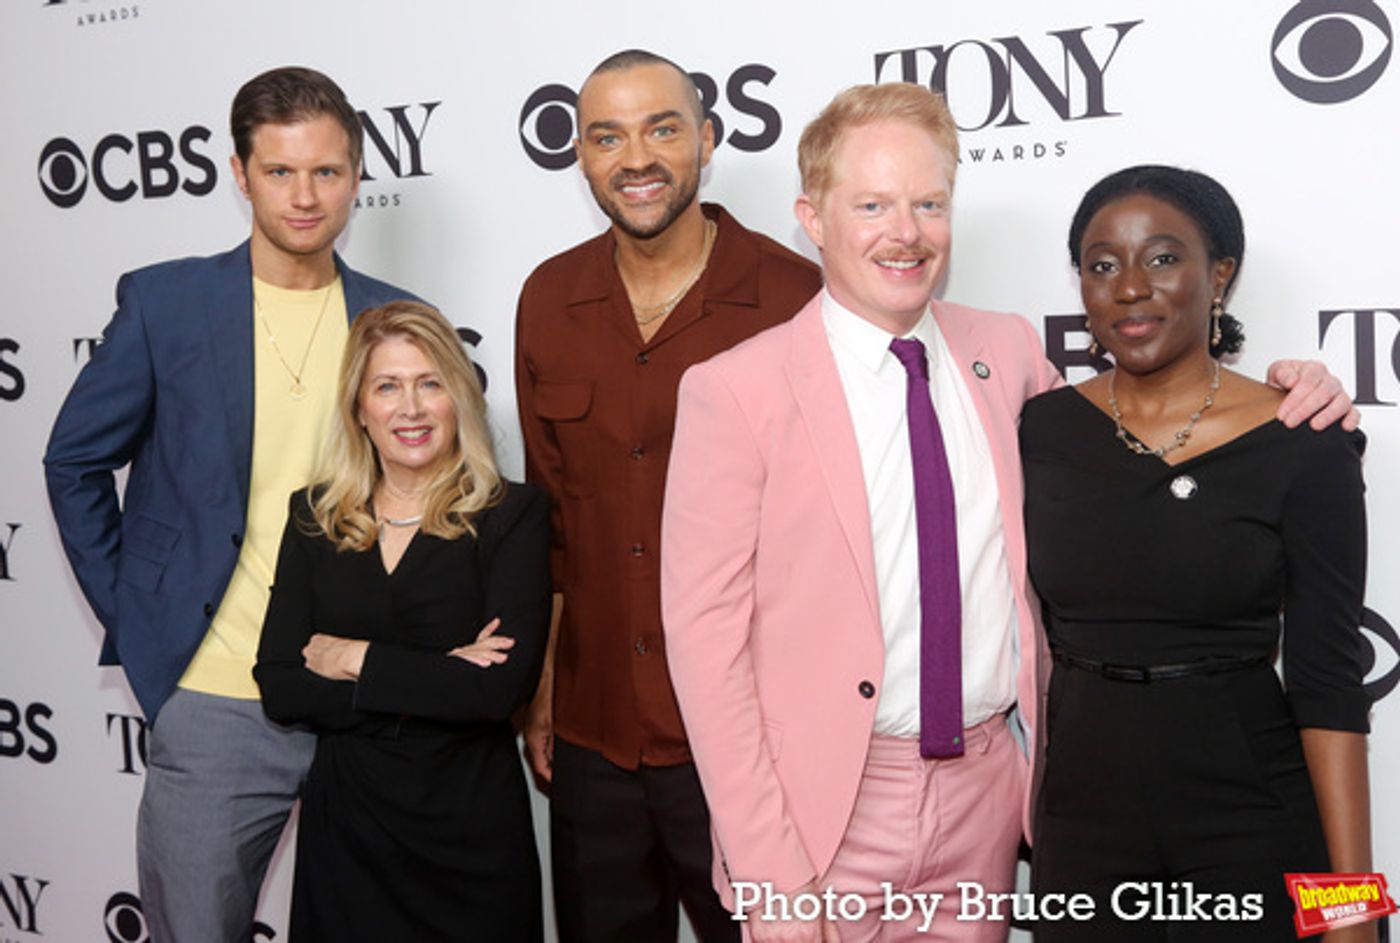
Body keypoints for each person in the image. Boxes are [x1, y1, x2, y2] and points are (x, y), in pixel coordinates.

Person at [660, 84, 1357, 943]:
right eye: (872, 204)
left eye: (929, 203)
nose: (905, 231)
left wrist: (1298, 389)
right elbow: (705, 650)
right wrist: (772, 878)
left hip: (996, 798)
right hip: (825, 807)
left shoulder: (1008, 352)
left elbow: (1143, 451)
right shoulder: (735, 389)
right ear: (813, 216)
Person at [42, 66, 419, 941]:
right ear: (240, 174)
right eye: (280, 171)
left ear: (358, 176)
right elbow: (73, 462)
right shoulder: (166, 304)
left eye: (326, 171)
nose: (304, 195)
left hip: (362, 696)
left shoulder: (396, 321)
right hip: (214, 702)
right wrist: (139, 616)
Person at [1020, 165, 1373, 942]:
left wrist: (1351, 911)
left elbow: (1327, 682)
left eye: (1164, 257)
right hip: (1081, 819)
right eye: (1102, 264)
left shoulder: (1304, 440)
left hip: (1248, 807)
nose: (1131, 287)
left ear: (1221, 275)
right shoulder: (1038, 430)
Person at [514, 49, 820, 941]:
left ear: (708, 139)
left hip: (749, 744)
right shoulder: (548, 296)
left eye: (661, 128)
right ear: (581, 157)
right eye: (607, 136)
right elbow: (554, 521)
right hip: (593, 731)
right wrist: (541, 689)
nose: (635, 158)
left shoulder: (794, 297)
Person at [253, 300, 549, 941]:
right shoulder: (315, 516)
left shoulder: (510, 516)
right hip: (348, 834)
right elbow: (279, 684)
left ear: (458, 398)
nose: (410, 408)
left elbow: (495, 691)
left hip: (468, 837)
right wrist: (439, 678)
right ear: (360, 407)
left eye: (430, 383)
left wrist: (355, 658)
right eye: (387, 386)